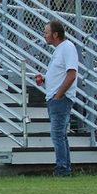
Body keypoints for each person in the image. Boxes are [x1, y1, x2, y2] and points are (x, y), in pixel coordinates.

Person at [39, 20, 79, 177]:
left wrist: (58, 95)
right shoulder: (59, 50)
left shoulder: (67, 47)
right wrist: (45, 80)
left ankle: (62, 169)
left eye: (47, 32)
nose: (44, 35)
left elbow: (71, 74)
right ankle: (65, 168)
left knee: (57, 135)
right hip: (55, 98)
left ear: (56, 34)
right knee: (60, 135)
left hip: (60, 99)